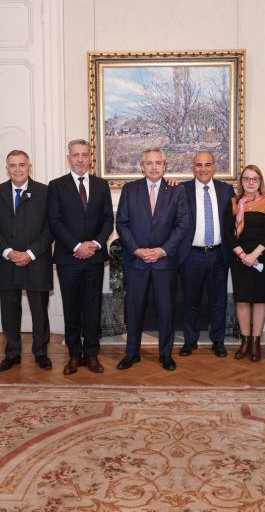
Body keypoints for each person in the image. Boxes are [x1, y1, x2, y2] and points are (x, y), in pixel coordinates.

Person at [115, 147, 189, 371]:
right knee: (134, 309)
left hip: (164, 262)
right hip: (136, 261)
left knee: (166, 310)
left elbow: (182, 225)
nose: (154, 167)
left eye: (158, 163)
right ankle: (132, 353)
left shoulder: (176, 191)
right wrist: (136, 249)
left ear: (165, 166)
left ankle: (165, 355)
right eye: (149, 163)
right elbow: (122, 224)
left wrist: (163, 250)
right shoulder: (130, 189)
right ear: (142, 166)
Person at [48, 139, 114, 375]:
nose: (80, 159)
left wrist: (94, 244)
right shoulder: (56, 186)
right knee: (72, 307)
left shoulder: (101, 185)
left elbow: (108, 219)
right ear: (69, 158)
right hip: (68, 258)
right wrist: (77, 245)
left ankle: (92, 355)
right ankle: (75, 355)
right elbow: (54, 221)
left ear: (90, 158)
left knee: (93, 307)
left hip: (94, 258)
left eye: (84, 155)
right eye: (75, 155)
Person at [0, 150, 53, 373]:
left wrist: (30, 253)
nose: (17, 169)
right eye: (12, 165)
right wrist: (8, 251)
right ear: (7, 168)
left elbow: (50, 228)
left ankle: (41, 353)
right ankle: (12, 354)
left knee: (39, 311)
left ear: (29, 167)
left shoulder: (44, 192)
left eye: (21, 165)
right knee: (9, 310)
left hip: (37, 260)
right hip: (7, 262)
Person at [177, 152, 236, 358]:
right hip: (190, 255)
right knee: (190, 300)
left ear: (214, 167)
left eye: (207, 164)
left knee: (218, 300)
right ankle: (190, 341)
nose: (203, 169)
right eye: (199, 165)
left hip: (219, 253)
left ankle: (218, 341)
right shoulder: (181, 190)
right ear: (192, 167)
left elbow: (235, 223)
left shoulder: (226, 190)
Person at [223, 165, 265, 362]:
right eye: (247, 179)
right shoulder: (233, 203)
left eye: (255, 179)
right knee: (242, 300)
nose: (251, 182)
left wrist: (254, 254)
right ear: (241, 182)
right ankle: (245, 341)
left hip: (263, 256)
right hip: (240, 258)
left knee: (260, 300)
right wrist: (242, 254)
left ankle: (256, 342)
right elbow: (228, 234)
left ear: (260, 181)